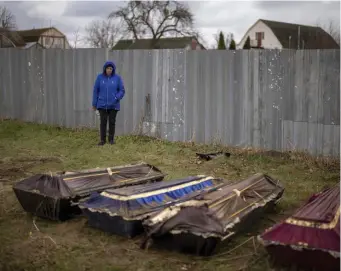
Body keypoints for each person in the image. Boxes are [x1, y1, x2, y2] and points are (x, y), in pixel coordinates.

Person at [92, 61, 125, 145]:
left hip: (114, 105)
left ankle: (111, 140)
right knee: (103, 122)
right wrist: (94, 104)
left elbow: (122, 90)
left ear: (113, 69)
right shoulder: (100, 78)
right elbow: (95, 91)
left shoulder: (117, 78)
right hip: (102, 104)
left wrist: (116, 97)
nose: (109, 70)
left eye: (111, 68)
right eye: (108, 68)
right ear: (105, 69)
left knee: (112, 122)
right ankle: (102, 140)